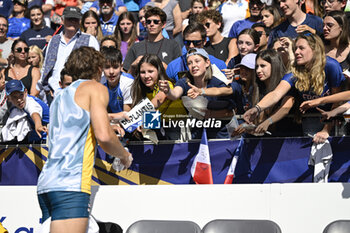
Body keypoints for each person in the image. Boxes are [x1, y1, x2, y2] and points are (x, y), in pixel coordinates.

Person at [37, 46, 133, 232]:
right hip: (70, 182)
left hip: (47, 182)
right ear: (98, 69)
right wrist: (124, 155)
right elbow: (104, 136)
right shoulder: (95, 88)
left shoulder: (60, 95)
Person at [244, 33, 345, 144]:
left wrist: (326, 129)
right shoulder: (295, 71)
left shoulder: (331, 66)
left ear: (315, 49)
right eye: (296, 48)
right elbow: (276, 94)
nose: (296, 52)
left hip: (333, 119)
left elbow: (337, 100)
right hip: (309, 118)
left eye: (301, 48)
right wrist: (257, 109)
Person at [159, 48, 234, 139]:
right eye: (189, 63)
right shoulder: (185, 82)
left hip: (219, 135)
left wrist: (208, 114)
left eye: (197, 61)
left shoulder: (218, 83)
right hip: (195, 135)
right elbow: (175, 94)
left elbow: (230, 113)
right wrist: (168, 91)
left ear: (207, 62)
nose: (193, 65)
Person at [39, 6, 100, 102]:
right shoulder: (54, 40)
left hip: (78, 94)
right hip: (53, 93)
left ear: (80, 21)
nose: (72, 22)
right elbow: (46, 66)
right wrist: (45, 88)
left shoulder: (90, 40)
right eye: (69, 19)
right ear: (62, 20)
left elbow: (96, 69)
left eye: (75, 19)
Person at [131, 54, 187, 140]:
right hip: (161, 127)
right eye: (143, 72)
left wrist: (133, 120)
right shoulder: (141, 89)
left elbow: (158, 100)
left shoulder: (166, 84)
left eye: (150, 71)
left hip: (177, 127)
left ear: (159, 71)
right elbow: (152, 118)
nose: (146, 76)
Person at [123, 7, 181, 75]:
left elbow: (179, 74)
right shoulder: (136, 47)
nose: (151, 24)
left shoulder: (173, 46)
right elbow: (124, 74)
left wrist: (166, 68)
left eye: (156, 22)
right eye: (148, 22)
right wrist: (133, 66)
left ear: (163, 24)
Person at [4, 79, 49, 143]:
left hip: (48, 135)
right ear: (8, 98)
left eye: (21, 95)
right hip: (33, 137)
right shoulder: (11, 105)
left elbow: (34, 113)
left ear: (25, 92)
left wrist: (38, 125)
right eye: (14, 97)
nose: (19, 99)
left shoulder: (30, 102)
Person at [101, 47, 133, 113]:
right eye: (107, 67)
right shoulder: (100, 81)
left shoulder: (128, 83)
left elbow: (127, 114)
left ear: (121, 66)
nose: (111, 72)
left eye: (115, 67)